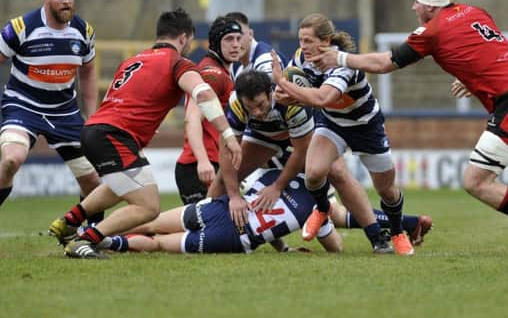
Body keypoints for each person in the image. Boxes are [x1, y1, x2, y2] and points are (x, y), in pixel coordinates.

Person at [310, 0, 508, 256]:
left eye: (416, 3)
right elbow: (487, 48)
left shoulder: (433, 30)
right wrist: (472, 77)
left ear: (430, 5)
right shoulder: (475, 11)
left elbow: (387, 62)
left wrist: (341, 58)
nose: (413, 8)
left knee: (476, 181)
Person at [48, 8, 242, 259]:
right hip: (114, 134)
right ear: (184, 38)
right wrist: (227, 134)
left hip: (96, 129)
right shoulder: (178, 62)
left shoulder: (133, 60)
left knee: (123, 185)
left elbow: (122, 99)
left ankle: (68, 222)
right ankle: (85, 239)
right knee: (148, 206)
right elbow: (203, 95)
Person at [209, 69, 403, 253]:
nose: (257, 112)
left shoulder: (287, 100)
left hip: (306, 133)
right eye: (251, 108)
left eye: (261, 105)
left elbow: (300, 150)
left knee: (337, 173)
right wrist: (234, 196)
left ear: (270, 92)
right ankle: (205, 227)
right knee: (223, 179)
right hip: (265, 136)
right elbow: (227, 150)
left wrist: (277, 187)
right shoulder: (236, 104)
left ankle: (376, 236)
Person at [270, 14, 415, 256]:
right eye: (300, 40)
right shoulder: (300, 58)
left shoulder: (342, 64)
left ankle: (398, 232)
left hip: (366, 126)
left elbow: (322, 98)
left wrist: (282, 83)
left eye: (308, 41)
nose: (302, 46)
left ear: (325, 41)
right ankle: (323, 208)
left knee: (386, 190)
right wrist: (282, 92)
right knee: (314, 173)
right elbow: (291, 93)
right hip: (333, 123)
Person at [100, 169, 432, 255]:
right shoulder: (315, 206)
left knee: (152, 221)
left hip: (219, 210)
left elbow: (248, 193)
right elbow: (336, 243)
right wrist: (286, 241)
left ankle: (96, 232)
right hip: (233, 238)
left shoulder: (271, 176)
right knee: (157, 244)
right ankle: (106, 245)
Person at [0, 0, 103, 224]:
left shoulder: (84, 31)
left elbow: (88, 73)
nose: (66, 0)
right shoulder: (20, 28)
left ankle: (90, 234)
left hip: (64, 111)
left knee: (93, 178)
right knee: (12, 159)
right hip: (22, 106)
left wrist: (92, 117)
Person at [175, 16, 243, 204]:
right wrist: (203, 160)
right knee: (200, 230)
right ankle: (127, 233)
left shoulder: (223, 71)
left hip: (214, 163)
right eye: (229, 39)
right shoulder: (212, 74)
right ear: (215, 43)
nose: (236, 44)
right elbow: (192, 117)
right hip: (199, 166)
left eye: (238, 38)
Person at [226, 11, 285, 79]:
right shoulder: (235, 66)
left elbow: (269, 90)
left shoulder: (265, 59)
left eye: (239, 36)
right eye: (229, 38)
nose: (235, 44)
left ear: (250, 34)